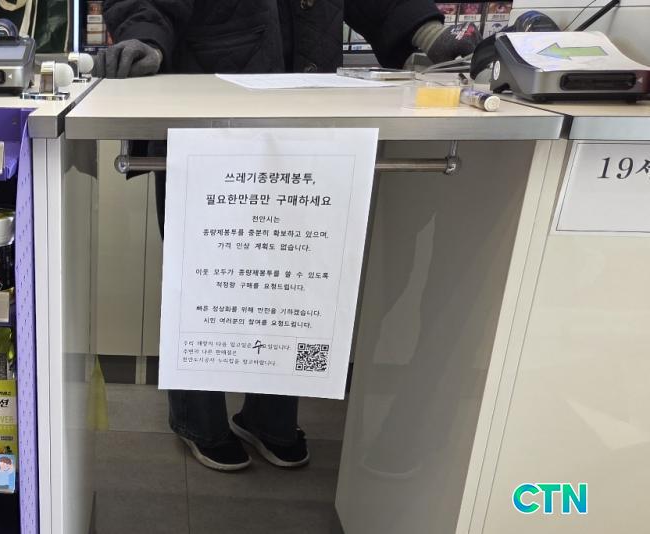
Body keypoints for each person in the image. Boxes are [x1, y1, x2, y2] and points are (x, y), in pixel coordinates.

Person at [99, 0, 481, 472]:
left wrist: (424, 33)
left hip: (308, 102)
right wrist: (144, 36)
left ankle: (270, 418)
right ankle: (197, 420)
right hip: (209, 105)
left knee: (295, 275)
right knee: (201, 276)